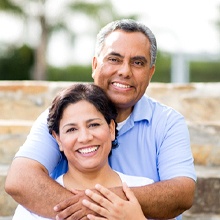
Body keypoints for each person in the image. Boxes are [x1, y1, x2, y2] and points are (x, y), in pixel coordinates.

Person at [5, 19, 196, 220]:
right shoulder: (62, 115)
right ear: (95, 65)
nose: (124, 71)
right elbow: (20, 180)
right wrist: (94, 210)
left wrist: (101, 204)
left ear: (150, 73)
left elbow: (181, 193)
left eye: (138, 63)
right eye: (114, 59)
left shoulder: (167, 122)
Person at [12, 83, 153, 219]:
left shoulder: (144, 188)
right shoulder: (35, 205)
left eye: (93, 125)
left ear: (111, 129)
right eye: (71, 129)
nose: (85, 138)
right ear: (58, 139)